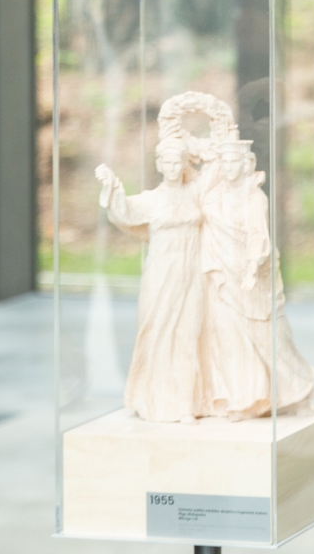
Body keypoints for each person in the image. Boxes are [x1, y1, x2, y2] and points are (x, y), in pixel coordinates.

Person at [196, 137, 314, 420]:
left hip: (247, 275)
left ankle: (297, 389)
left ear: (246, 164)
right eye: (224, 162)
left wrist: (252, 268)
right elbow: (198, 199)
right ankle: (242, 398)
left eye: (233, 162)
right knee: (228, 337)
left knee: (267, 338)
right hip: (220, 275)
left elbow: (258, 237)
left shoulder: (253, 198)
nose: (228, 168)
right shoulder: (213, 195)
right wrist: (207, 154)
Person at [97, 137, 205, 424]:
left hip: (191, 270)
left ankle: (186, 402)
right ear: (159, 165)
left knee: (188, 335)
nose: (172, 167)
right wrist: (112, 186)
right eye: (167, 162)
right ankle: (152, 397)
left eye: (177, 162)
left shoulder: (195, 192)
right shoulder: (153, 199)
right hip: (162, 271)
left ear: (185, 164)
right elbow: (124, 211)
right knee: (157, 331)